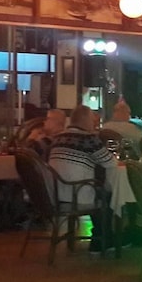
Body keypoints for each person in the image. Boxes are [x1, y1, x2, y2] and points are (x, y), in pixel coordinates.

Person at [48, 105, 118, 254]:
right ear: (85, 120)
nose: (94, 123)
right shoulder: (88, 139)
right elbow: (110, 162)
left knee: (99, 189)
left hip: (56, 194)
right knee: (109, 193)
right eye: (92, 119)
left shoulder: (58, 138)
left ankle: (100, 237)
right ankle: (103, 240)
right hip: (77, 194)